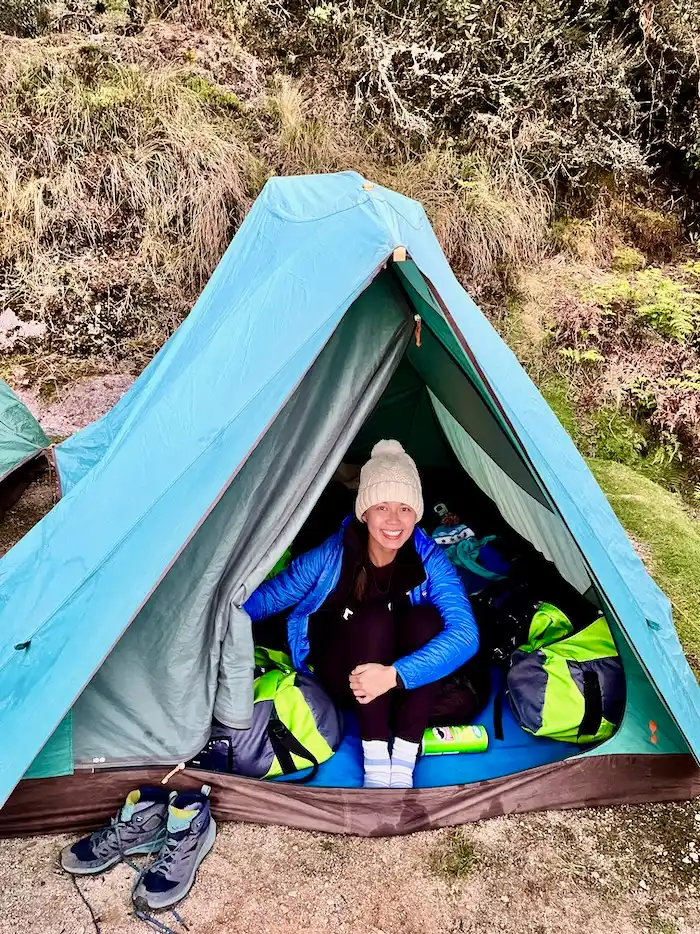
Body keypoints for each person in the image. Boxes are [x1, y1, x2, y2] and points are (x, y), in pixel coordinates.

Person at [244, 440, 479, 789]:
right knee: (373, 617)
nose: (394, 521)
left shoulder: (430, 559)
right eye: (382, 507)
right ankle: (375, 754)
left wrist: (395, 675)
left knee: (428, 620)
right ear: (364, 511)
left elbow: (466, 634)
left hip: (393, 679)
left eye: (404, 509)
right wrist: (216, 614)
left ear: (417, 513)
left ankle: (403, 754)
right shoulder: (332, 555)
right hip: (344, 675)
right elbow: (270, 598)